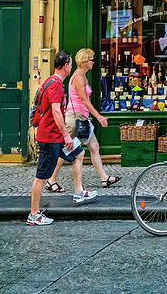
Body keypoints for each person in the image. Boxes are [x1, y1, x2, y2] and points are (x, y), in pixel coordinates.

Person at [28, 51, 95, 226]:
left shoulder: (51, 81)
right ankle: (34, 214)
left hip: (56, 136)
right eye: (70, 64)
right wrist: (67, 136)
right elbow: (56, 111)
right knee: (41, 177)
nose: (71, 66)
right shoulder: (55, 85)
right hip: (50, 137)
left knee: (79, 153)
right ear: (65, 65)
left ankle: (79, 191)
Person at [46, 48, 121, 192]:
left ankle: (104, 178)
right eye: (92, 59)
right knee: (65, 151)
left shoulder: (83, 75)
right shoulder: (78, 77)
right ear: (85, 61)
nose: (94, 62)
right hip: (74, 119)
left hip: (82, 119)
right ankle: (51, 180)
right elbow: (84, 100)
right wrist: (98, 117)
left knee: (94, 146)